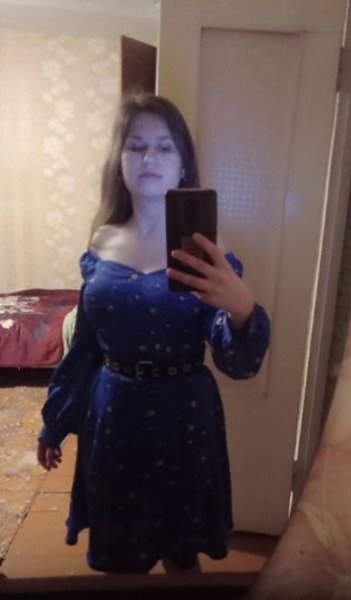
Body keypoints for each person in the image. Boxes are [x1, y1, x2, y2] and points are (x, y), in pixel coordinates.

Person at [37, 93, 270, 574]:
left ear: (183, 164)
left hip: (184, 418)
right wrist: (56, 421)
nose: (149, 157)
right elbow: (84, 347)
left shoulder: (210, 249)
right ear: (118, 160)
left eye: (164, 147)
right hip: (114, 415)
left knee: (181, 555)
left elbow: (238, 363)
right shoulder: (102, 241)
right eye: (136, 145)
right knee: (119, 555)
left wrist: (243, 309)